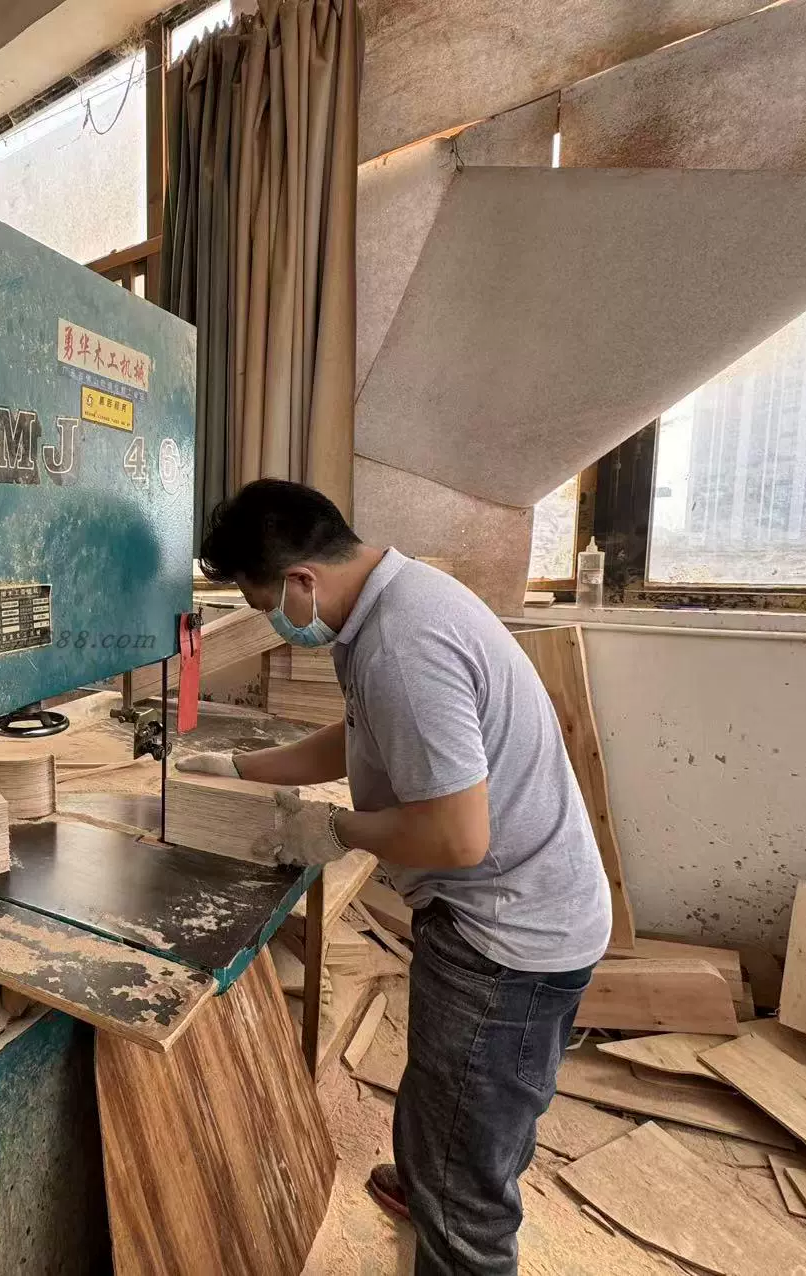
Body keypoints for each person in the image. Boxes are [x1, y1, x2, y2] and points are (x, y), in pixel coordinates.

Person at [179, 478, 609, 1276]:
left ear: (301, 580)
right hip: (535, 903)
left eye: (264, 603)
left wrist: (334, 829)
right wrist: (240, 767)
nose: (270, 620)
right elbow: (361, 735)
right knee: (457, 1092)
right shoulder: (395, 600)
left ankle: (455, 1206)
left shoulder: (404, 647)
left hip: (508, 936)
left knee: (470, 1156)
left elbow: (456, 837)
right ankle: (434, 1173)